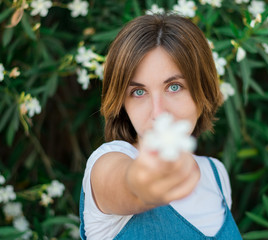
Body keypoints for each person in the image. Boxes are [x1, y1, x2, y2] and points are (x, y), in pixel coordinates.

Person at [79, 13, 242, 240]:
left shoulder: (216, 176)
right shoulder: (106, 162)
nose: (158, 113)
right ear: (122, 104)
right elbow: (129, 184)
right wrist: (144, 182)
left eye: (174, 87)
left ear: (202, 89)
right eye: (138, 92)